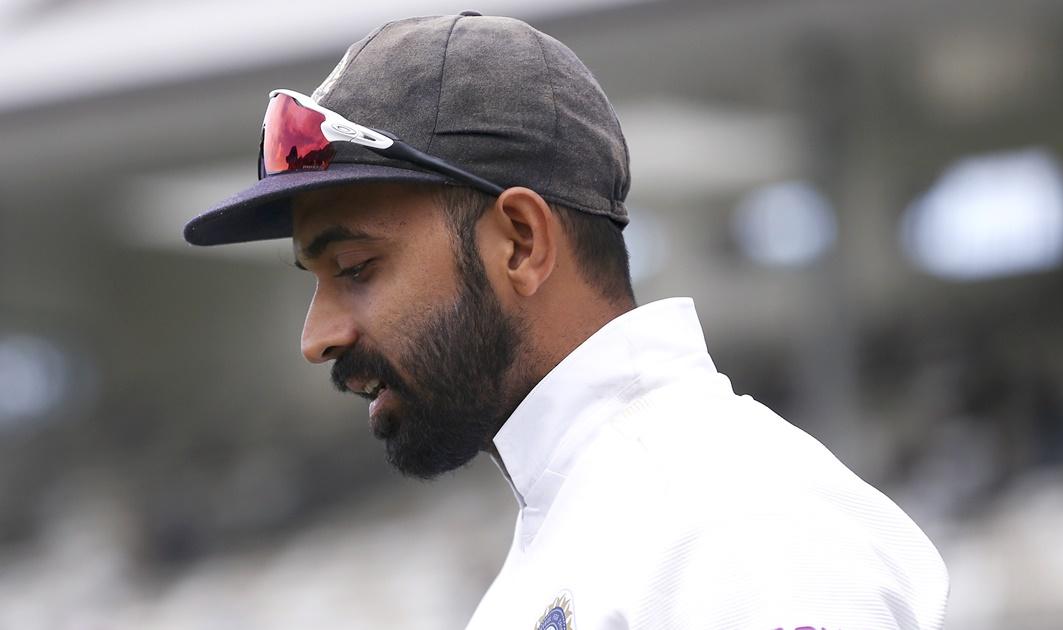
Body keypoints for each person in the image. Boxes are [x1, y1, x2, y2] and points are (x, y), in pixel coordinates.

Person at [184, 12, 949, 630]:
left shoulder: (735, 528)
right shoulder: (606, 516)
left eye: (355, 268)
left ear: (521, 243)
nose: (316, 337)